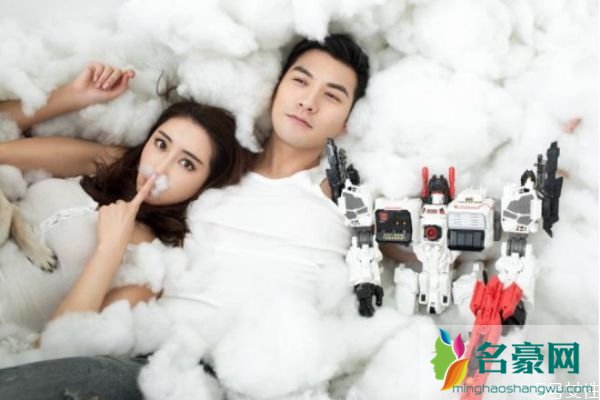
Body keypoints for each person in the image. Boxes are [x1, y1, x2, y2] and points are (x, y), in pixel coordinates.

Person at [0, 33, 407, 399]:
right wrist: (73, 97)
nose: (308, 101)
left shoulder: (349, 193)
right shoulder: (206, 162)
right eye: (300, 81)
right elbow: (130, 165)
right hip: (153, 367)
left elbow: (425, 252)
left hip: (265, 378)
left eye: (332, 96)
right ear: (276, 88)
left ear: (348, 120)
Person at [0, 62, 247, 333]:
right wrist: (73, 96)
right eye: (161, 144)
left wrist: (109, 250)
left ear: (206, 184)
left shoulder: (151, 264)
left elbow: (60, 348)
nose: (159, 169)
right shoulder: (106, 164)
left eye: (187, 164)